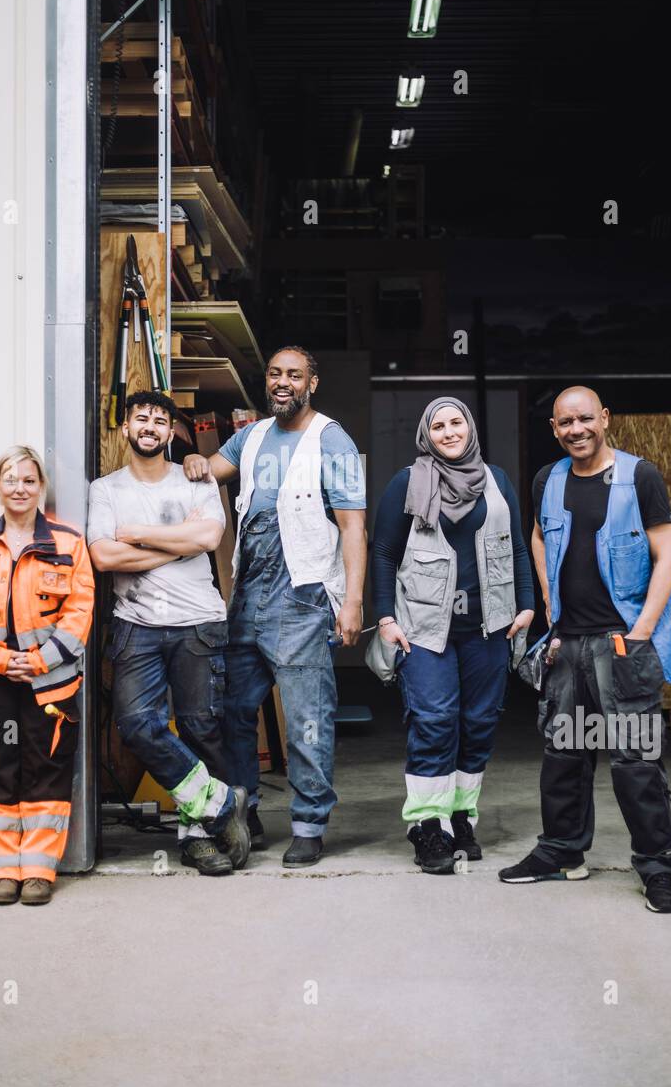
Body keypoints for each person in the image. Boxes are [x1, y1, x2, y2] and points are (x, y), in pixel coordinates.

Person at [499, 386, 671, 913]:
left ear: (604, 418)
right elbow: (538, 536)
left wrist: (642, 632)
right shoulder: (548, 479)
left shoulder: (639, 476)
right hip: (568, 644)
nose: (575, 430)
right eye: (564, 423)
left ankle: (656, 866)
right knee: (563, 754)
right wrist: (552, 606)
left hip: (621, 643)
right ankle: (561, 853)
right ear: (554, 429)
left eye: (585, 419)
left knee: (635, 760)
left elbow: (666, 554)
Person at [183, 346, 367, 866]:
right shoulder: (253, 435)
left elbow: (354, 524)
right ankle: (245, 809)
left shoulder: (333, 440)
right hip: (249, 593)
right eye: (275, 374)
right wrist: (196, 458)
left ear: (312, 382)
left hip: (303, 594)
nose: (282, 382)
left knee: (308, 715)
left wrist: (352, 601)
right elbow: (211, 470)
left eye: (294, 375)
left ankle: (310, 821)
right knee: (236, 711)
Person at [87, 391, 250, 876]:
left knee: (201, 727)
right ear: (127, 429)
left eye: (161, 420)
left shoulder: (195, 478)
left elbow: (208, 538)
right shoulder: (105, 489)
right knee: (137, 725)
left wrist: (133, 534)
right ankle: (221, 803)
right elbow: (102, 557)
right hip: (136, 625)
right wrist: (176, 545)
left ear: (171, 432)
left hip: (197, 621)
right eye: (143, 419)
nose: (151, 427)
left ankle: (199, 838)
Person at [372, 398, 534, 873]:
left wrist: (526, 606)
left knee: (479, 721)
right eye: (438, 426)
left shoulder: (497, 481)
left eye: (455, 422)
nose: (448, 432)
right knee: (435, 720)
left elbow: (518, 547)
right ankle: (427, 826)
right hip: (424, 628)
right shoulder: (407, 482)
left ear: (470, 427)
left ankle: (460, 816)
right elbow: (383, 552)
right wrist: (385, 618)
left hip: (488, 626)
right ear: (427, 434)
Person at [0, 447, 95, 905]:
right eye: (11, 480)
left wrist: (42, 658)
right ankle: (3, 873)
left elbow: (80, 609)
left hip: (49, 682)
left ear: (41, 487)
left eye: (29, 481)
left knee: (46, 769)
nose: (19, 488)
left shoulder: (68, 544)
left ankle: (37, 871)